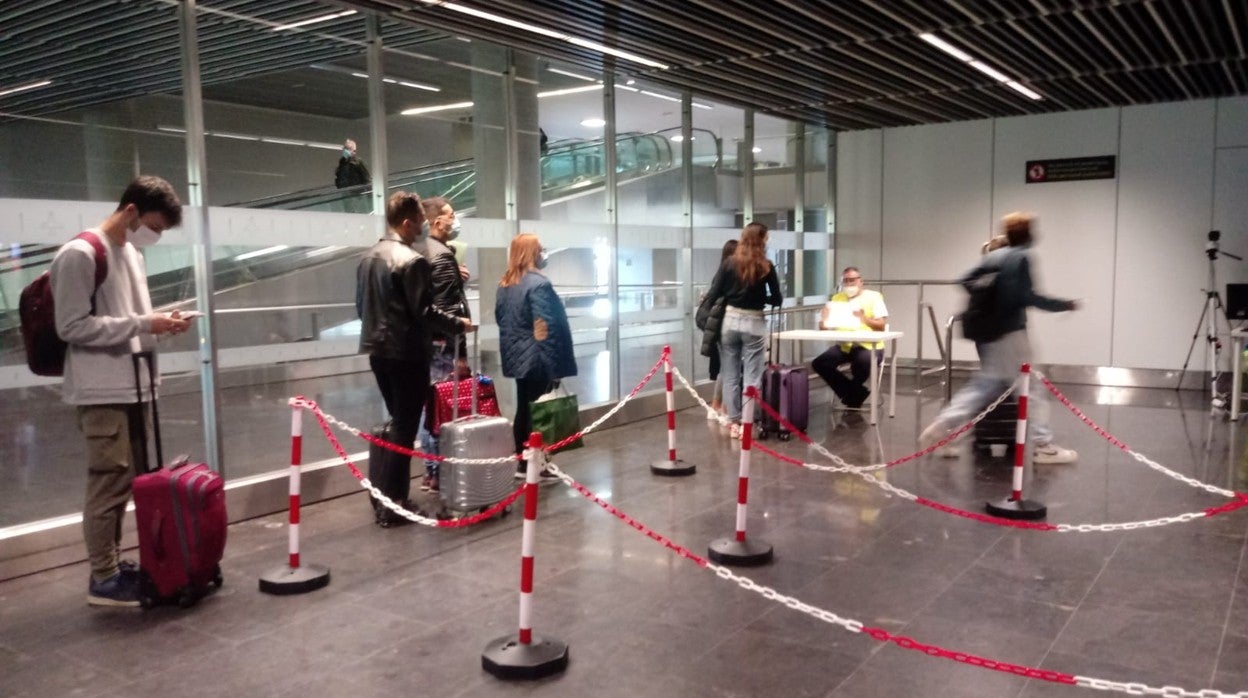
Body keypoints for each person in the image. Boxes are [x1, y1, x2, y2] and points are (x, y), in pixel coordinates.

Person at [50, 176, 191, 607]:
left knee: (130, 479)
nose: (155, 235)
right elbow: (70, 326)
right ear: (131, 211)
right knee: (108, 482)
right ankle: (103, 578)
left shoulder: (129, 252)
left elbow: (129, 317)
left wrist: (158, 323)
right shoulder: (80, 253)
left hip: (133, 383)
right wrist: (143, 324)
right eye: (154, 226)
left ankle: (113, 565)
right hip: (101, 389)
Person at [919, 212, 1080, 464]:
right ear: (1028, 233)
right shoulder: (1022, 256)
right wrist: (1063, 305)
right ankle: (1043, 445)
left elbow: (965, 280)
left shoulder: (993, 256)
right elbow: (1027, 296)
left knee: (985, 384)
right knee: (1032, 385)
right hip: (1011, 332)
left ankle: (942, 426)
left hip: (990, 332)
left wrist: (988, 300)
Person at [357, 191, 472, 526]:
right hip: (407, 353)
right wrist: (458, 324)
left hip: (377, 352)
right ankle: (395, 505)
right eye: (420, 221)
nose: (422, 228)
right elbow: (424, 312)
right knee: (405, 430)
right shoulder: (412, 261)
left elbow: (360, 307)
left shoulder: (367, 258)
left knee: (398, 424)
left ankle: (387, 499)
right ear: (407, 223)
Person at [494, 233, 577, 478]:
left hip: (517, 357)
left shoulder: (506, 283)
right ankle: (534, 462)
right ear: (531, 253)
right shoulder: (539, 284)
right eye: (540, 249)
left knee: (524, 408)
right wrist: (554, 366)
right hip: (537, 358)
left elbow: (501, 319)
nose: (544, 254)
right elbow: (546, 326)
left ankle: (523, 460)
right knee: (538, 411)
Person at [412, 196, 470, 493]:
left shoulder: (418, 250)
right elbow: (448, 309)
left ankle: (430, 471)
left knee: (429, 409)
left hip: (422, 343)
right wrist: (460, 351)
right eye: (451, 215)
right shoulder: (443, 256)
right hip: (443, 345)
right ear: (436, 221)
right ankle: (440, 473)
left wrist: (457, 279)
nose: (455, 219)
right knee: (444, 410)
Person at [704, 222, 782, 439]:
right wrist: (759, 298)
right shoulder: (766, 266)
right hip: (754, 322)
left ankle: (734, 423)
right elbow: (777, 298)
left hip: (729, 321)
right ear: (762, 239)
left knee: (729, 375)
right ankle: (748, 423)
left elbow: (714, 292)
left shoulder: (729, 263)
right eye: (767, 237)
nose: (768, 240)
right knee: (752, 376)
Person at [811, 267, 889, 409]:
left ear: (861, 281)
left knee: (862, 362)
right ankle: (855, 393)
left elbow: (882, 326)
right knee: (820, 363)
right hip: (845, 346)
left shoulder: (874, 297)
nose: (849, 284)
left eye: (852, 280)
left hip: (869, 346)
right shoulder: (837, 298)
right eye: (846, 281)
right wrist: (823, 320)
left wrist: (863, 318)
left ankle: (852, 394)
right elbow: (824, 327)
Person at [705, 239, 738, 420]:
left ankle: (718, 406)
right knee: (728, 369)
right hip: (726, 325)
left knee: (725, 368)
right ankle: (721, 407)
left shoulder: (720, 274)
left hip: (720, 326)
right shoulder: (729, 275)